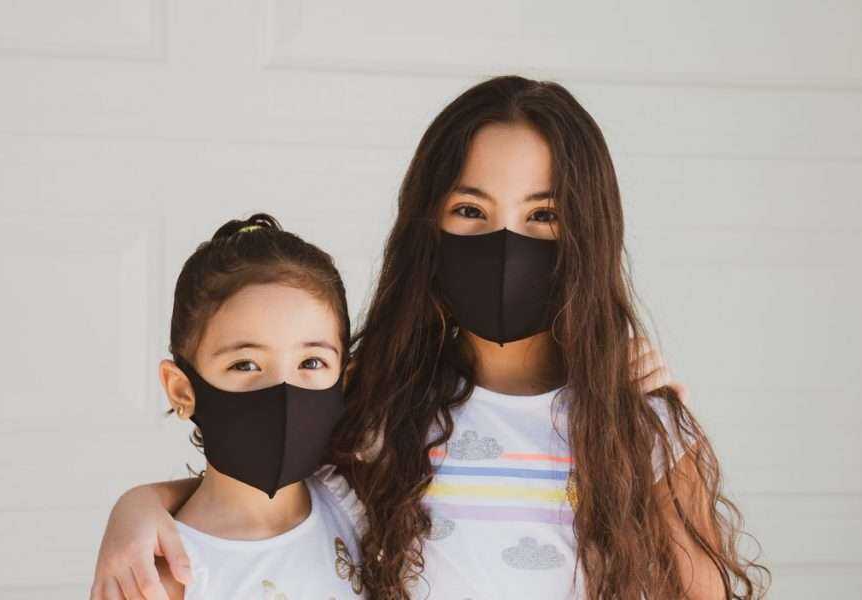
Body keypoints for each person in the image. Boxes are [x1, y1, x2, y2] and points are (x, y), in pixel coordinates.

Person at [91, 76, 768, 599]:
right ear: (428, 226)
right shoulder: (379, 406)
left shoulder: (638, 426)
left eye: (542, 215)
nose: (505, 244)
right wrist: (139, 506)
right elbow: (252, 480)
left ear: (588, 234)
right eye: (470, 209)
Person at [145, 213, 366, 599]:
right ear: (182, 390)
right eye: (245, 365)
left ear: (343, 380)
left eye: (311, 362)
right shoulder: (167, 576)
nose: (283, 390)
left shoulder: (352, 503)